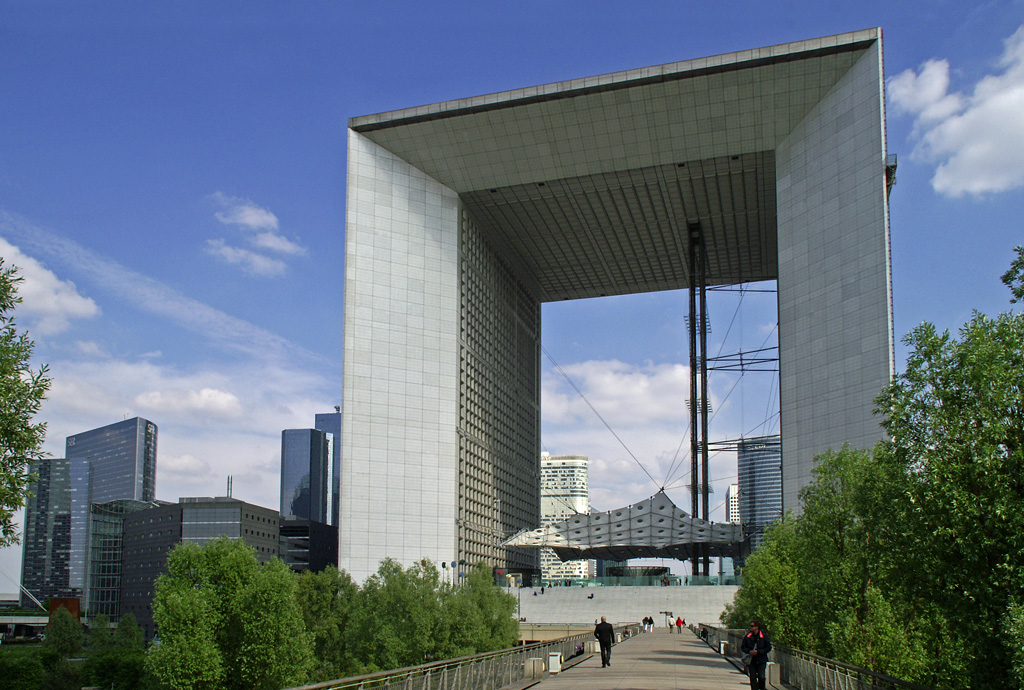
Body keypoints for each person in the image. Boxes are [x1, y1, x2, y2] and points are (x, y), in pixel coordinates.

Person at [740, 619, 772, 690]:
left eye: (752, 626)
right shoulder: (748, 636)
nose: (751, 628)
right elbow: (743, 647)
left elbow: (768, 647)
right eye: (750, 626)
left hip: (761, 660)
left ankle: (761, 688)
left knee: (762, 677)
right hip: (751, 660)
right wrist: (749, 651)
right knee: (753, 678)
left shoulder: (763, 636)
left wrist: (759, 652)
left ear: (757, 627)